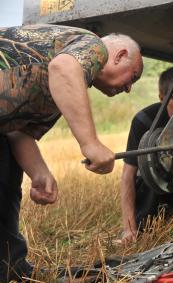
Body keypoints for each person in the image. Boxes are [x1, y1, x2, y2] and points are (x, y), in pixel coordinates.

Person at [0, 24, 143, 281]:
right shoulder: (93, 46)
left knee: (6, 176)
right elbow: (64, 68)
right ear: (119, 55)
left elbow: (17, 130)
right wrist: (90, 143)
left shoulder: (58, 90)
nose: (129, 88)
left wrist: (39, 172)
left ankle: (10, 268)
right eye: (133, 76)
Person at [120, 67, 173, 245]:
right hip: (157, 188)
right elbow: (127, 176)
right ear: (162, 98)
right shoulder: (144, 121)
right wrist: (129, 228)